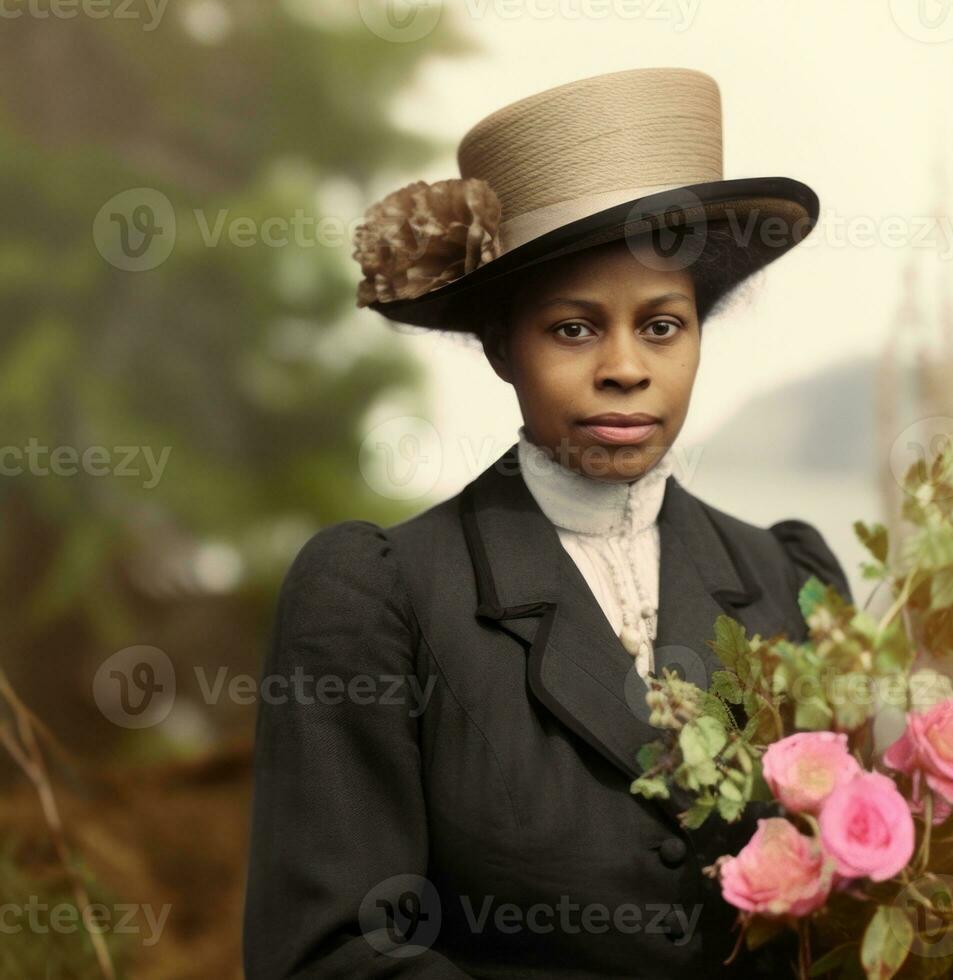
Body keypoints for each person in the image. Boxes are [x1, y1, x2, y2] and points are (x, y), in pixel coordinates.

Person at [243, 67, 852, 979]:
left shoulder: (785, 584)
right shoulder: (383, 599)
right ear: (500, 345)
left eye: (661, 326)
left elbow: (843, 919)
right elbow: (332, 954)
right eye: (573, 329)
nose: (623, 368)